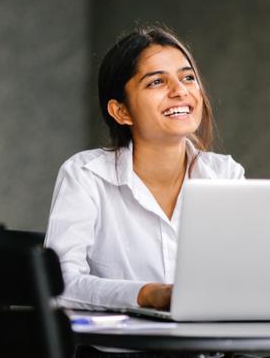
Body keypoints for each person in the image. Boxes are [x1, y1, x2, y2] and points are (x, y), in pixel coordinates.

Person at [44, 26, 245, 311]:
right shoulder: (86, 175)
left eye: (188, 77)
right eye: (156, 82)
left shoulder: (226, 175)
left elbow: (245, 275)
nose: (180, 91)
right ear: (121, 111)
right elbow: (58, 285)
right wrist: (148, 295)